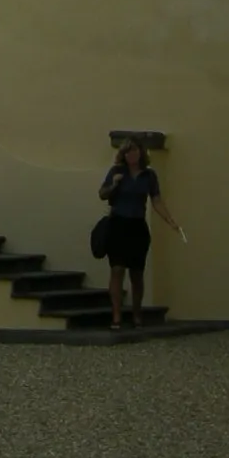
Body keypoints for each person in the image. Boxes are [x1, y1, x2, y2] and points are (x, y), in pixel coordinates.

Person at [97, 138, 180, 329]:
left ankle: (136, 315)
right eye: (127, 152)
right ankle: (116, 316)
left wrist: (169, 220)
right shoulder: (117, 172)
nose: (131, 155)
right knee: (117, 269)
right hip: (118, 224)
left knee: (137, 272)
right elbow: (102, 194)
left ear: (141, 154)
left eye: (134, 151)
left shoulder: (149, 176)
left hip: (137, 225)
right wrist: (114, 185)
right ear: (123, 155)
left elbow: (156, 200)